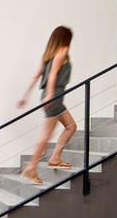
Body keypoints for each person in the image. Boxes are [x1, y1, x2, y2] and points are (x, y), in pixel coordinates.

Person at [17, 25, 77, 184]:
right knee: (46, 135)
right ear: (66, 39)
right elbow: (52, 75)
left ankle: (55, 158)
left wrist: (25, 96)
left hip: (53, 95)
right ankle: (31, 168)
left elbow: (35, 76)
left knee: (71, 126)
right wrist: (50, 95)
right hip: (54, 95)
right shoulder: (63, 50)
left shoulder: (47, 55)